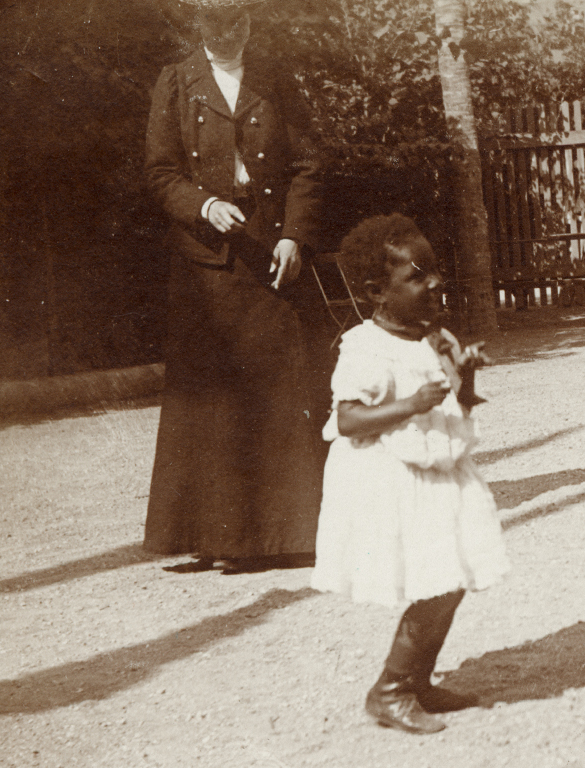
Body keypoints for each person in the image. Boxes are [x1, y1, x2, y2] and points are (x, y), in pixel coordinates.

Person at [143, 0, 329, 573]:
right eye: (216, 24)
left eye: (238, 22)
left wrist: (295, 237)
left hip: (272, 257)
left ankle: (288, 536)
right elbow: (160, 172)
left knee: (281, 389)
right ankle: (217, 539)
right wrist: (204, 204)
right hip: (209, 262)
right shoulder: (175, 82)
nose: (228, 35)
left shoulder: (276, 78)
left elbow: (307, 164)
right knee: (212, 398)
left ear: (250, 21)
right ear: (198, 25)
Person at [311, 215, 509, 734]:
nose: (435, 283)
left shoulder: (436, 337)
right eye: (417, 277)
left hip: (443, 471)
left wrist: (468, 372)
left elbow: (460, 401)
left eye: (435, 272)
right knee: (437, 580)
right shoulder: (364, 346)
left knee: (454, 578)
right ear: (378, 291)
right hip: (395, 479)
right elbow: (349, 419)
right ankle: (391, 690)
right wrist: (409, 403)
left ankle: (416, 682)